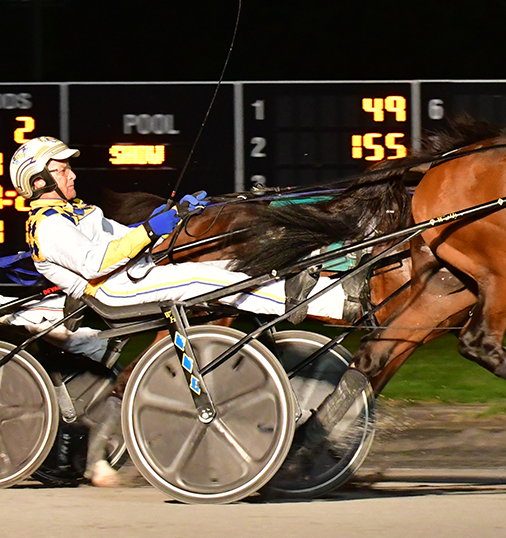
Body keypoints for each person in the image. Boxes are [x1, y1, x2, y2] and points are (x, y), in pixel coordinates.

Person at [10, 136, 355, 486]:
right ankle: (318, 302)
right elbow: (96, 263)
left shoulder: (79, 212)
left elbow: (126, 237)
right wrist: (149, 229)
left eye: (68, 168)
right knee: (206, 278)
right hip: (113, 290)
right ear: (39, 182)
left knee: (227, 268)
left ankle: (307, 295)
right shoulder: (49, 225)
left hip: (133, 274)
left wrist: (175, 216)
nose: (71, 175)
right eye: (62, 169)